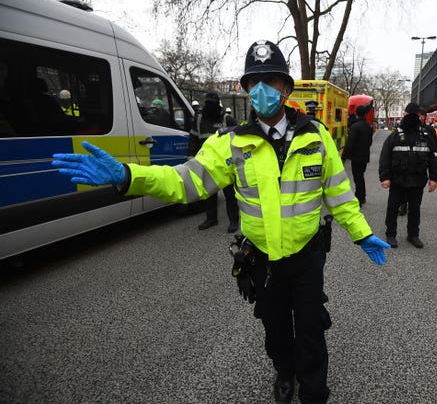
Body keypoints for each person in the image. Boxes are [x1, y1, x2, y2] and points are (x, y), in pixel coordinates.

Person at [51, 39, 390, 404]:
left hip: (307, 257)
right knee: (275, 330)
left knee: (311, 330)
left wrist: (363, 233)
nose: (263, 89)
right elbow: (185, 181)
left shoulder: (316, 136)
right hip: (263, 261)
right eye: (254, 82)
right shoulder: (229, 143)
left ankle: (313, 392)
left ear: (287, 88)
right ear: (245, 89)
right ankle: (284, 372)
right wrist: (128, 176)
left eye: (272, 80)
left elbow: (339, 195)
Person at [379, 102, 437, 249]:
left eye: (415, 115)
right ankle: (391, 234)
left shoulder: (426, 135)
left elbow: (433, 157)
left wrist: (434, 178)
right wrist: (384, 177)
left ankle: (413, 235)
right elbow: (385, 156)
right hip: (397, 179)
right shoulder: (395, 135)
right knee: (393, 208)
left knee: (415, 209)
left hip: (417, 180)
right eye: (409, 114)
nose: (411, 117)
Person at [189, 91, 240, 233]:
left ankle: (234, 220)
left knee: (230, 194)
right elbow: (193, 138)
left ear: (218, 104)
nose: (209, 106)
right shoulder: (199, 119)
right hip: (206, 162)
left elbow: (237, 140)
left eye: (212, 103)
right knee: (209, 193)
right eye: (208, 103)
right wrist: (191, 158)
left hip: (225, 164)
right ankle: (211, 219)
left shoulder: (227, 119)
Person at [341, 103, 374, 205]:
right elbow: (370, 142)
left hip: (356, 157)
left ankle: (359, 197)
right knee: (360, 176)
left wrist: (344, 156)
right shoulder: (368, 126)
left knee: (357, 178)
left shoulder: (355, 127)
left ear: (356, 114)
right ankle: (361, 196)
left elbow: (349, 143)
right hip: (364, 156)